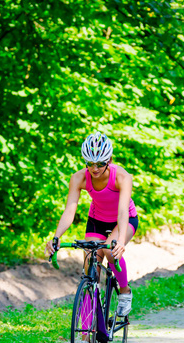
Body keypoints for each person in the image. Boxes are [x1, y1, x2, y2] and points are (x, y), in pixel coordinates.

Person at [46, 132, 138, 322]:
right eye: (89, 163)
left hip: (124, 219)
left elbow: (122, 211)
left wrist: (120, 241)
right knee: (90, 269)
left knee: (110, 251)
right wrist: (56, 237)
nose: (94, 168)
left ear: (109, 160)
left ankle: (124, 291)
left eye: (100, 164)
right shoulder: (78, 178)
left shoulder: (122, 176)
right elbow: (69, 210)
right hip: (97, 220)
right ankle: (85, 339)